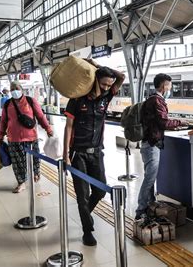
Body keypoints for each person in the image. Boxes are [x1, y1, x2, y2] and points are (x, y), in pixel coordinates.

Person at [63, 59, 124, 246]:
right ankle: (87, 230)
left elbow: (121, 76)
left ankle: (84, 214)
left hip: (97, 152)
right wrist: (65, 154)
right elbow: (68, 126)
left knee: (99, 190)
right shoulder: (77, 98)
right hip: (78, 153)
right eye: (104, 83)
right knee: (82, 195)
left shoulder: (106, 97)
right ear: (95, 80)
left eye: (109, 84)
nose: (107, 87)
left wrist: (95, 65)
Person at [135, 73, 188, 220]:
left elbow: (156, 122)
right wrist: (179, 122)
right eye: (169, 85)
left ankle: (150, 205)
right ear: (164, 86)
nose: (171, 88)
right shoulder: (157, 101)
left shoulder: (152, 99)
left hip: (148, 142)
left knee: (149, 177)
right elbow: (163, 122)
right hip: (152, 144)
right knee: (150, 179)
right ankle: (140, 209)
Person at [0, 81, 53, 193]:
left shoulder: (30, 101)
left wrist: (48, 128)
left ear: (21, 89)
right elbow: (3, 121)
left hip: (31, 138)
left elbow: (40, 116)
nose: (14, 91)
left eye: (16, 88)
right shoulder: (8, 104)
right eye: (12, 89)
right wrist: (0, 136)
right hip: (14, 139)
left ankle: (36, 173)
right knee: (18, 162)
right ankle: (21, 182)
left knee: (35, 159)